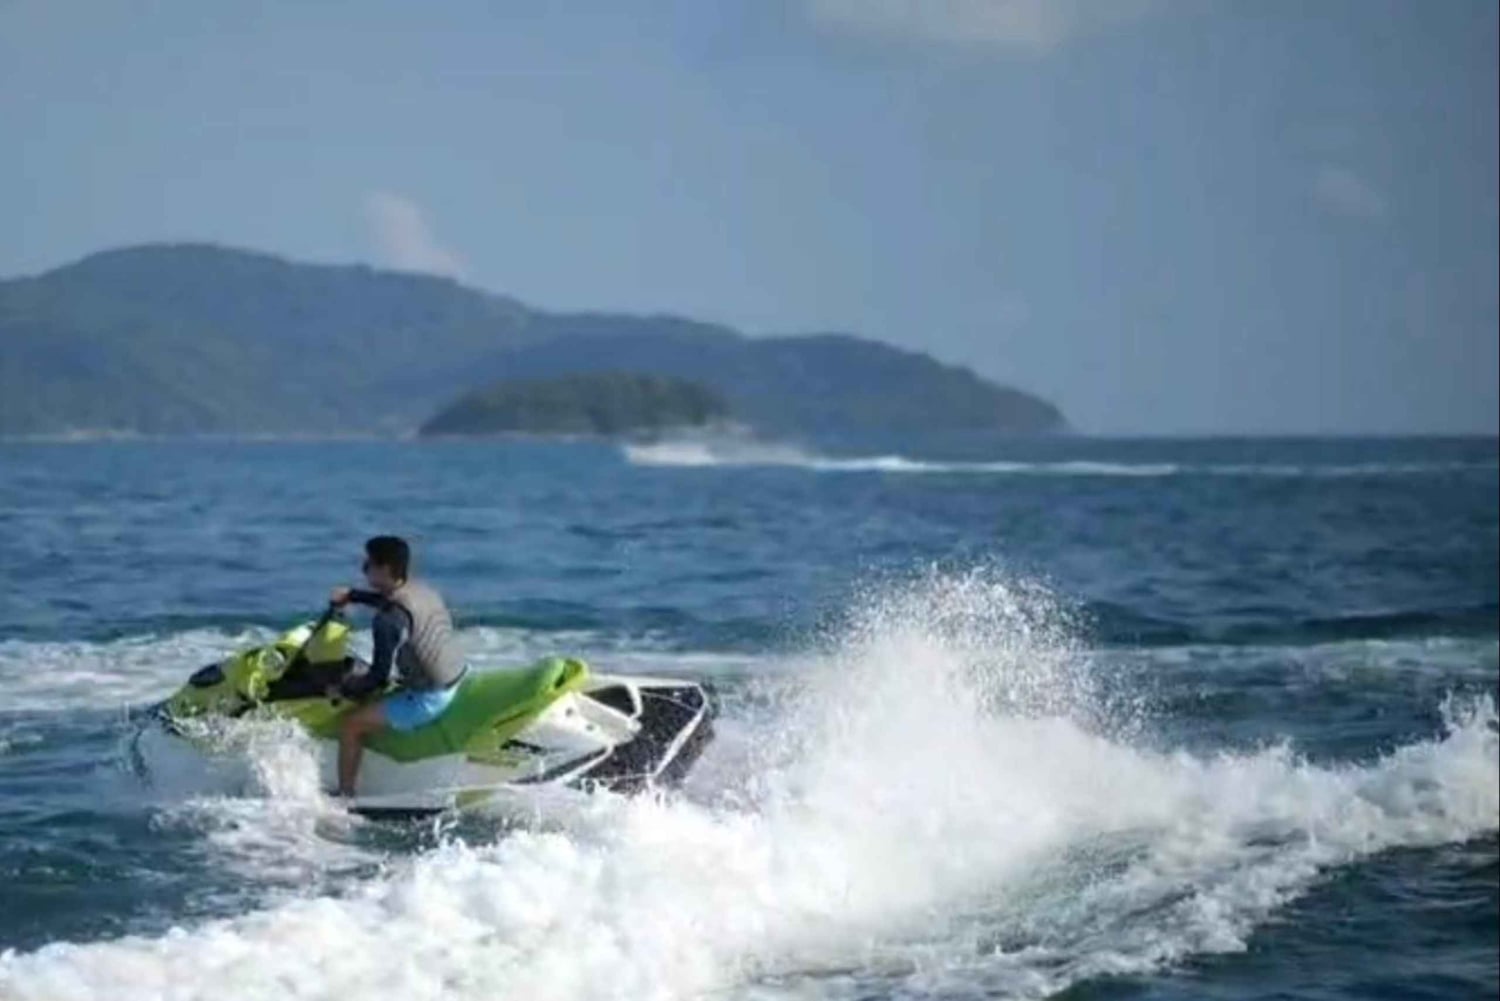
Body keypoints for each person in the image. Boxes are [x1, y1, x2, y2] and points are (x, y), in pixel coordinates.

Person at [327, 535, 466, 798]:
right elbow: (390, 603)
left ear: (385, 569)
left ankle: (345, 795)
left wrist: (342, 689)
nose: (363, 569)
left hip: (430, 698)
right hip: (457, 675)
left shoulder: (387, 621)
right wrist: (353, 596)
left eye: (368, 564)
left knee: (350, 724)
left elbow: (377, 678)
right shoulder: (421, 590)